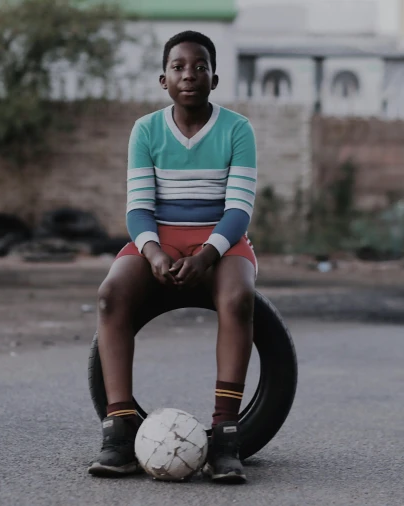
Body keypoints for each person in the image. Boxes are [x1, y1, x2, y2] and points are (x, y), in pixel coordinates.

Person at [86, 30, 258, 484]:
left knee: (240, 298)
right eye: (179, 67)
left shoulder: (238, 129)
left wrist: (207, 255)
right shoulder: (145, 129)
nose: (189, 74)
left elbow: (239, 209)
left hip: (220, 239)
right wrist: (154, 253)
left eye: (200, 66)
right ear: (163, 80)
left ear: (214, 78)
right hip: (157, 238)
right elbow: (138, 207)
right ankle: (120, 430)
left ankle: (225, 433)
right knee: (109, 296)